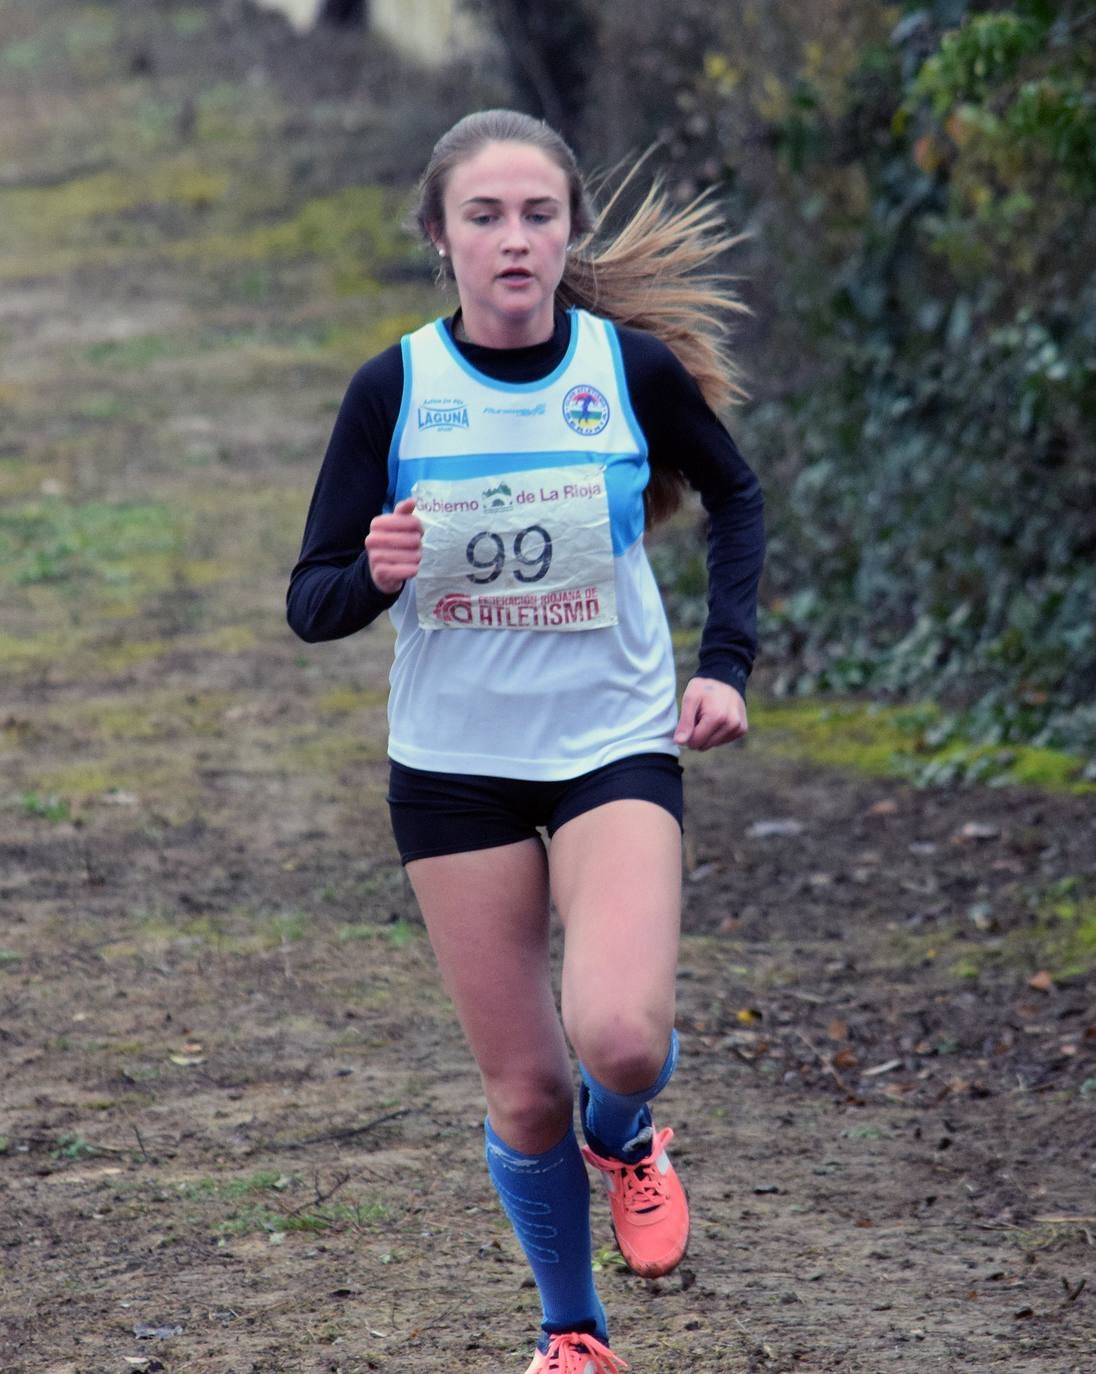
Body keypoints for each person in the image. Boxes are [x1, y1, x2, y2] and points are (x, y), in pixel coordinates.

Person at [287, 109, 765, 1374]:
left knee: (620, 1042)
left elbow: (736, 493)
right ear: (439, 239)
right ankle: (572, 1333)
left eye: (538, 214)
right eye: (484, 217)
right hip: (453, 769)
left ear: (569, 233)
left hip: (611, 739)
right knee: (527, 1092)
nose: (514, 239)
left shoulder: (629, 371)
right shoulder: (394, 388)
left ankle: (631, 1130)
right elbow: (311, 599)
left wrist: (722, 666)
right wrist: (376, 574)